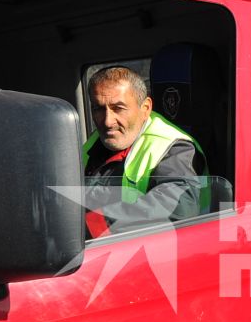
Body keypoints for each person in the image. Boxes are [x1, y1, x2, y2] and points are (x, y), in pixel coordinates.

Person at [82, 66, 204, 236]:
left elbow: (179, 206)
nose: (108, 121)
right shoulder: (95, 142)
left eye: (118, 108)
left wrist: (94, 224)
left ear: (145, 108)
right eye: (98, 109)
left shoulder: (173, 147)